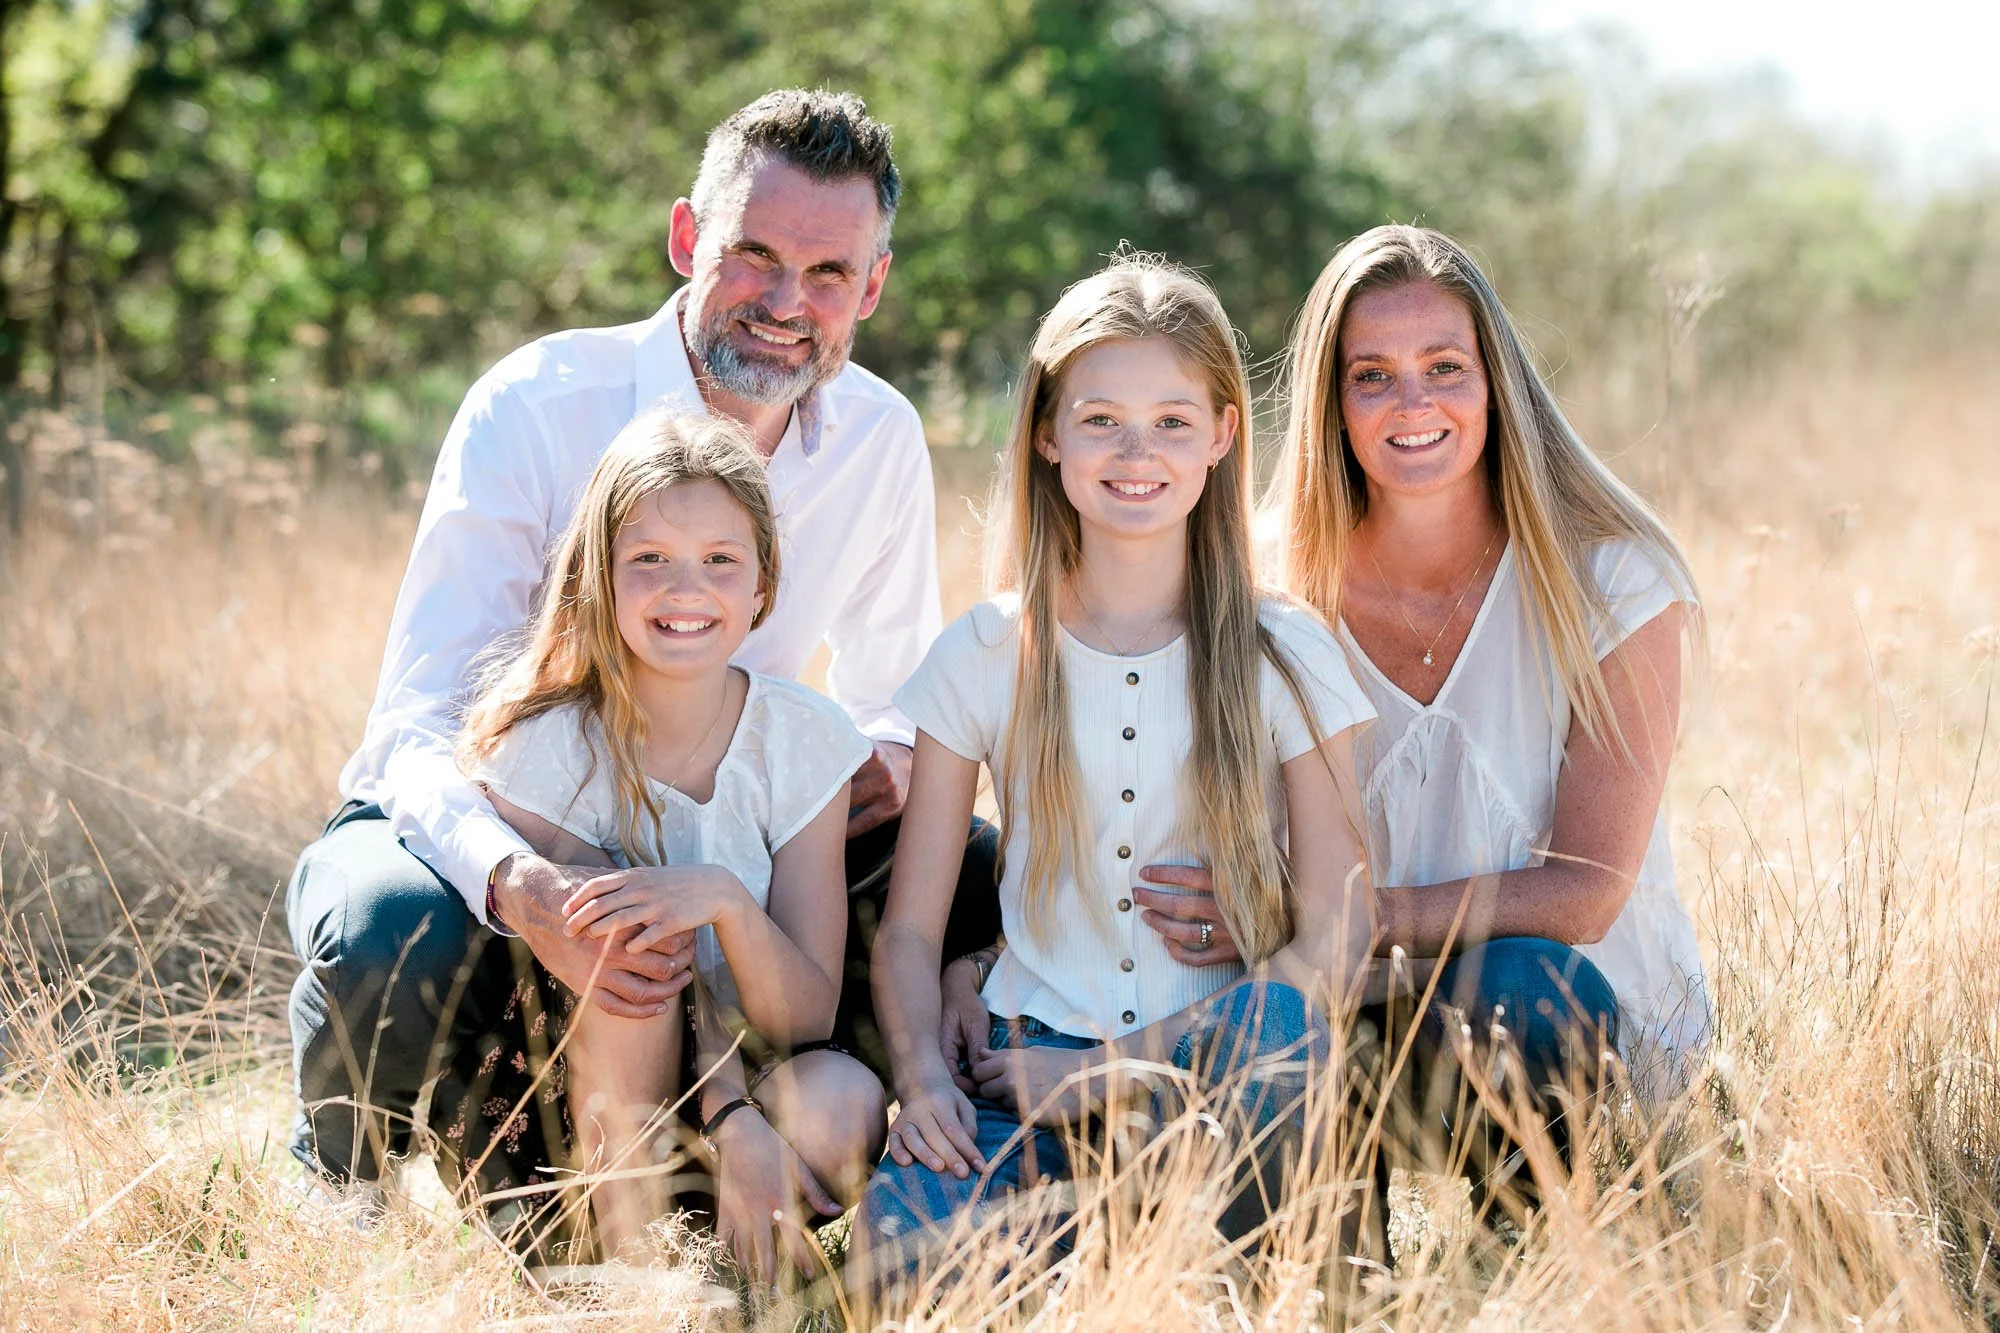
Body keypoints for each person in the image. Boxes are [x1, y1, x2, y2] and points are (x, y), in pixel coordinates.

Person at [284, 89, 999, 1246]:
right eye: (752, 256)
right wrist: (520, 881)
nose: (784, 303)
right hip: (527, 810)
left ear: (871, 288)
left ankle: (838, 1144)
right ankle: (350, 1165)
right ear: (685, 241)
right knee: (385, 923)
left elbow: (892, 699)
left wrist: (859, 772)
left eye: (827, 273)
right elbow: (413, 729)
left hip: (744, 815)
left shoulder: (879, 437)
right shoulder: (535, 404)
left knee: (967, 860)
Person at [1132, 223, 1709, 1217]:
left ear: (1495, 384)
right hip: (1344, 1004)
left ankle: (1531, 1274)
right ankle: (1332, 1288)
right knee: (1270, 1035)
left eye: (1444, 366)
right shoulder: (1265, 590)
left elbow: (1582, 894)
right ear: (1331, 401)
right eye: (1371, 375)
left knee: (1528, 982)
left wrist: (1356, 920)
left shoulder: (1611, 580)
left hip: (1565, 1020)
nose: (1413, 405)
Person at [848, 255, 1380, 1297]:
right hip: (1018, 1074)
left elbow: (1339, 935)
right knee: (898, 1263)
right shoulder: (982, 652)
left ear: (1223, 437)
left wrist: (1113, 1069)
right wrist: (920, 1083)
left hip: (1215, 1076)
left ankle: (1214, 1274)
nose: (1135, 452)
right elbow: (909, 933)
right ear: (1047, 435)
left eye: (1173, 422)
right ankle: (1087, 1258)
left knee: (1280, 1036)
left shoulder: (1286, 650)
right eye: (1099, 420)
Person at [455, 410, 886, 1272]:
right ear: (599, 576)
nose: (685, 589)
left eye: (720, 561)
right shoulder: (550, 747)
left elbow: (806, 1012)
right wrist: (729, 1114)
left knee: (843, 1098)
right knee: (629, 954)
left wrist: (724, 898)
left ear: (762, 584)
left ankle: (740, 1269)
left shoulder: (801, 737)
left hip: (754, 1074)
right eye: (649, 559)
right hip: (591, 1103)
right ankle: (633, 1274)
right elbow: (620, 981)